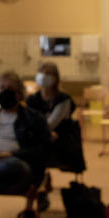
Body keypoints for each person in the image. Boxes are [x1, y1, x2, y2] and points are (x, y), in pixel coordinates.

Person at [0, 70, 50, 218]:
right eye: (1, 89)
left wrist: (10, 154)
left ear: (19, 94)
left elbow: (42, 150)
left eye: (9, 89)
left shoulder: (33, 118)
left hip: (13, 163)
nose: (4, 93)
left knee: (10, 167)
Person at [26, 62, 86, 207]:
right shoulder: (32, 100)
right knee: (30, 152)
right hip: (42, 141)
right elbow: (28, 123)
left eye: (48, 74)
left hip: (61, 145)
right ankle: (40, 188)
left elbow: (51, 124)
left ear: (55, 79)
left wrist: (41, 131)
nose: (43, 77)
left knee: (36, 154)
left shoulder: (63, 100)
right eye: (41, 73)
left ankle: (40, 190)